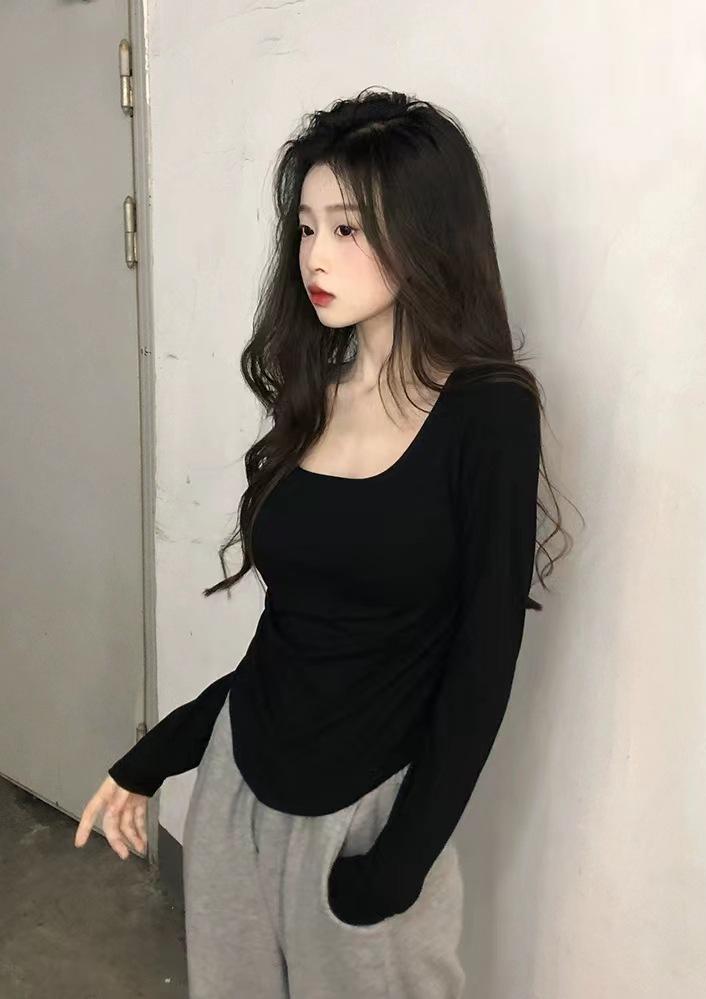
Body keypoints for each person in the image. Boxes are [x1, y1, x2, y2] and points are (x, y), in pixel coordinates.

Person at [74, 87, 569, 998]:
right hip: (237, 795)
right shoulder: (317, 391)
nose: (315, 255)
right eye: (306, 228)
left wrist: (401, 863)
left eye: (347, 228)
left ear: (424, 232)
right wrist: (161, 751)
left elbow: (484, 655)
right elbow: (296, 636)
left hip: (366, 816)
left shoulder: (488, 412)